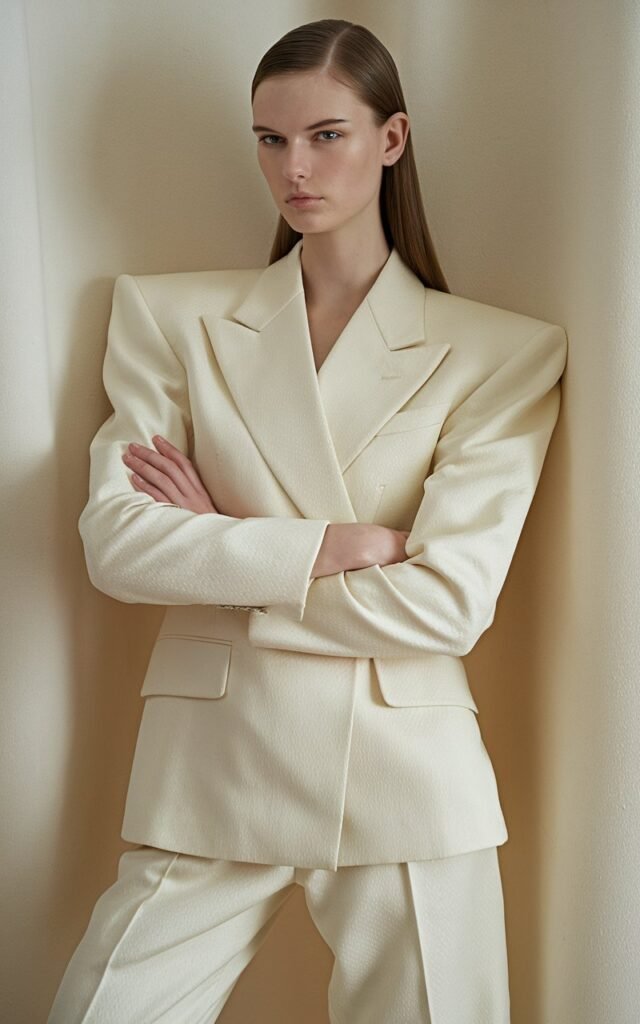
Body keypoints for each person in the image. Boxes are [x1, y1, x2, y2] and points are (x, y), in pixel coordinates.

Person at [47, 17, 568, 1024]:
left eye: (326, 134)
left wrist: (226, 551)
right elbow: (116, 543)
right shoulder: (169, 319)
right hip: (211, 767)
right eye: (270, 138)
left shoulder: (498, 353)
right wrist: (333, 547)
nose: (293, 166)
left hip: (406, 779)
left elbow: (449, 604)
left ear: (392, 139)